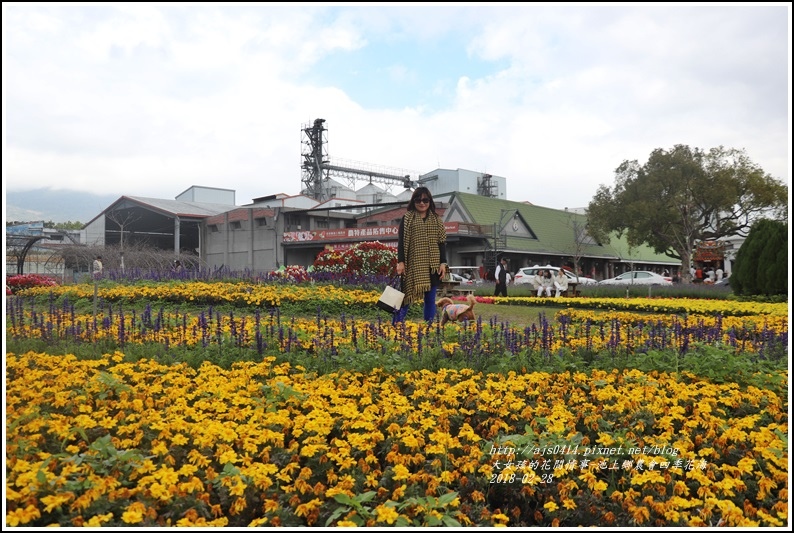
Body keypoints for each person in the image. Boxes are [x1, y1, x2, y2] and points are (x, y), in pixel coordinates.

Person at [393, 187, 447, 325]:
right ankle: (396, 326)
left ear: (430, 201)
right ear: (413, 201)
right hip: (412, 265)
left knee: (430, 299)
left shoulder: (436, 220)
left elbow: (441, 243)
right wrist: (401, 262)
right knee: (405, 297)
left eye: (425, 200)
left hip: (432, 267)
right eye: (418, 199)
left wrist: (443, 263)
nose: (422, 203)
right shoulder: (407, 218)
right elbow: (401, 242)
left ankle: (428, 328)